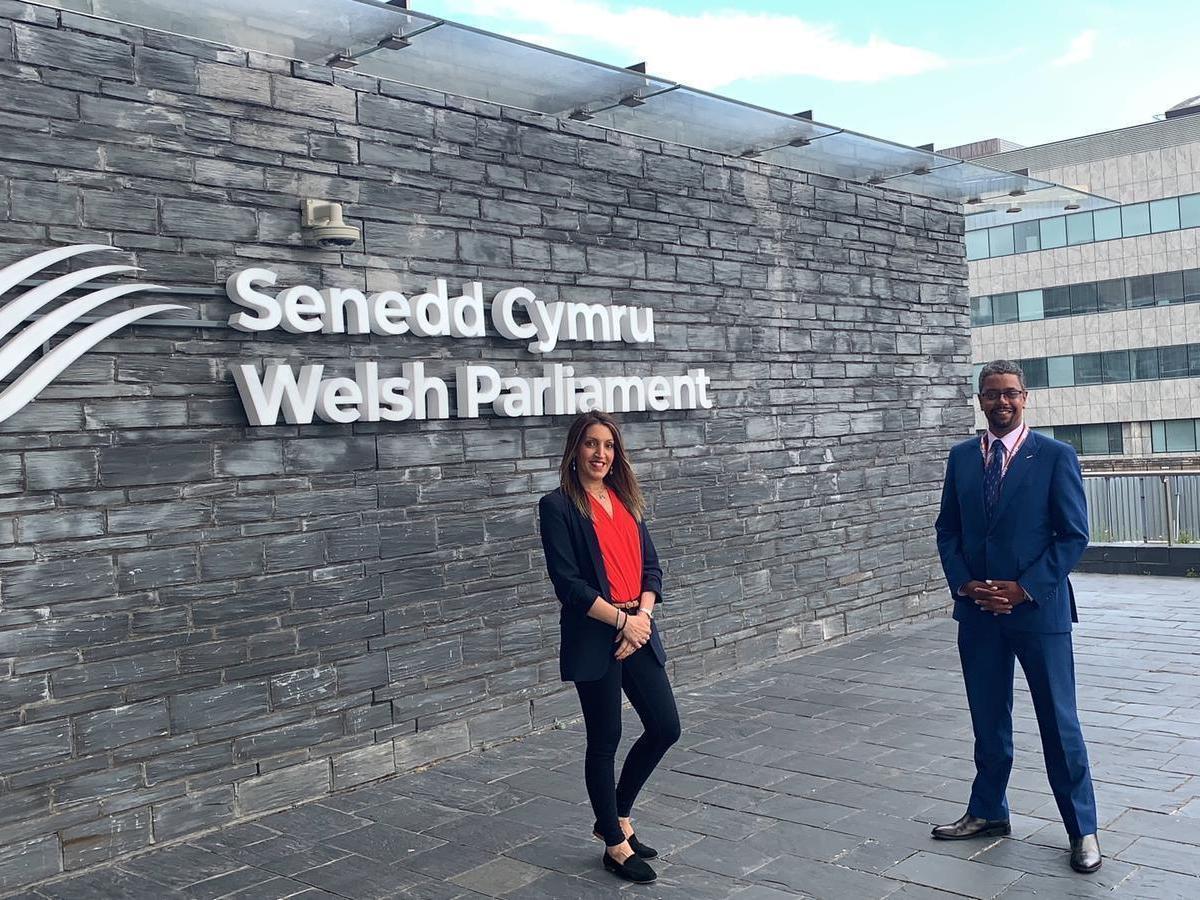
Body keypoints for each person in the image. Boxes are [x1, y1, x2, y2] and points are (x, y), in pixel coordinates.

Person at [933, 359, 1101, 874]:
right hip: (979, 613)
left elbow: (1072, 535)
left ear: (1024, 397)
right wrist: (966, 584)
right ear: (979, 400)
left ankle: (1082, 829)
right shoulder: (962, 458)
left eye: (1009, 393)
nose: (1000, 402)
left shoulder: (1054, 456)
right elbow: (949, 531)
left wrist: (1023, 589)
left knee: (1058, 722)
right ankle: (988, 812)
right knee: (988, 718)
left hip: (1038, 612)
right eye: (990, 394)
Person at [538, 410, 681, 885]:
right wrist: (622, 621)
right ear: (574, 451)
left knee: (665, 726)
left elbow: (653, 569)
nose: (601, 454)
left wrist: (641, 617)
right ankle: (615, 847)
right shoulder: (557, 507)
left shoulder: (627, 500)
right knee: (605, 739)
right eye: (591, 444)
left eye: (609, 445)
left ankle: (614, 814)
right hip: (596, 633)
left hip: (637, 626)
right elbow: (569, 586)